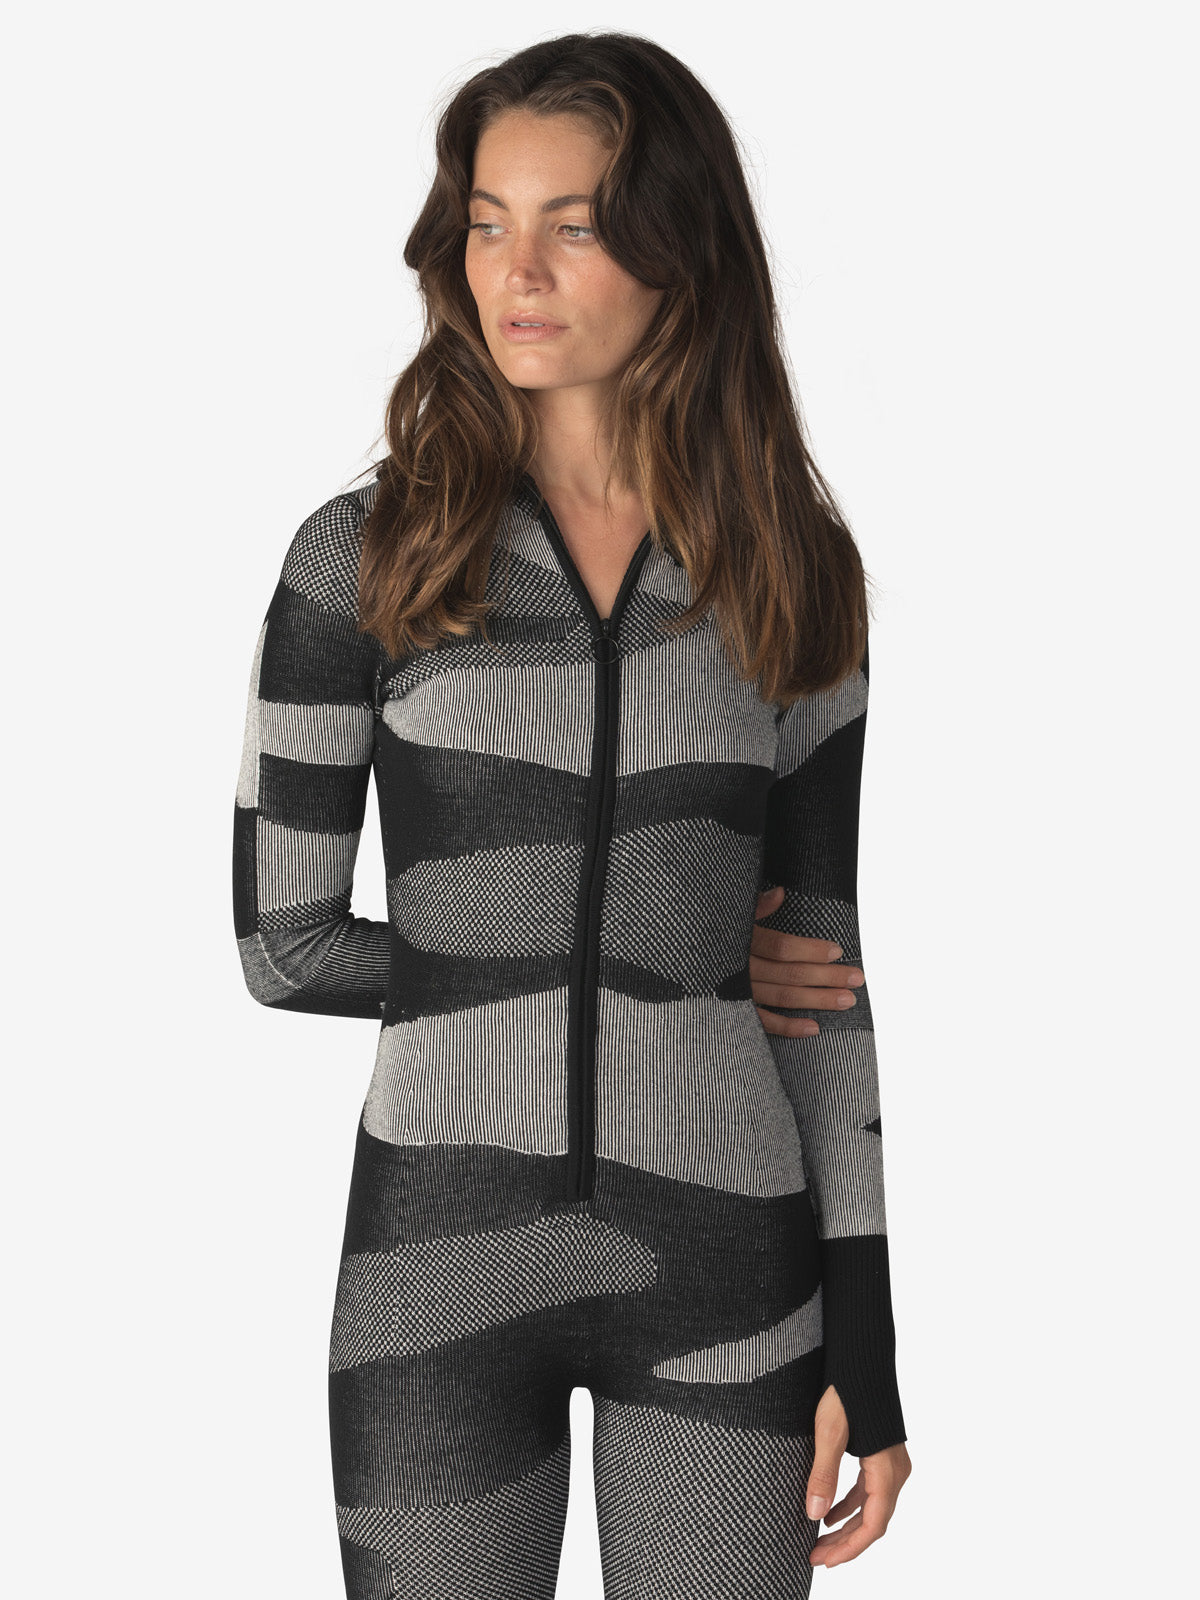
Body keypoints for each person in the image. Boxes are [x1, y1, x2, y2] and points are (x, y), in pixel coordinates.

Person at [232, 29, 912, 1598]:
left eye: (577, 225)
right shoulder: (362, 558)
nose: (517, 271)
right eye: (488, 221)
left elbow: (824, 983)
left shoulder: (790, 568)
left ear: (681, 250)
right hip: (437, 1273)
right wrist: (622, 965)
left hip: (733, 1268)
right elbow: (284, 944)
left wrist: (868, 1348)